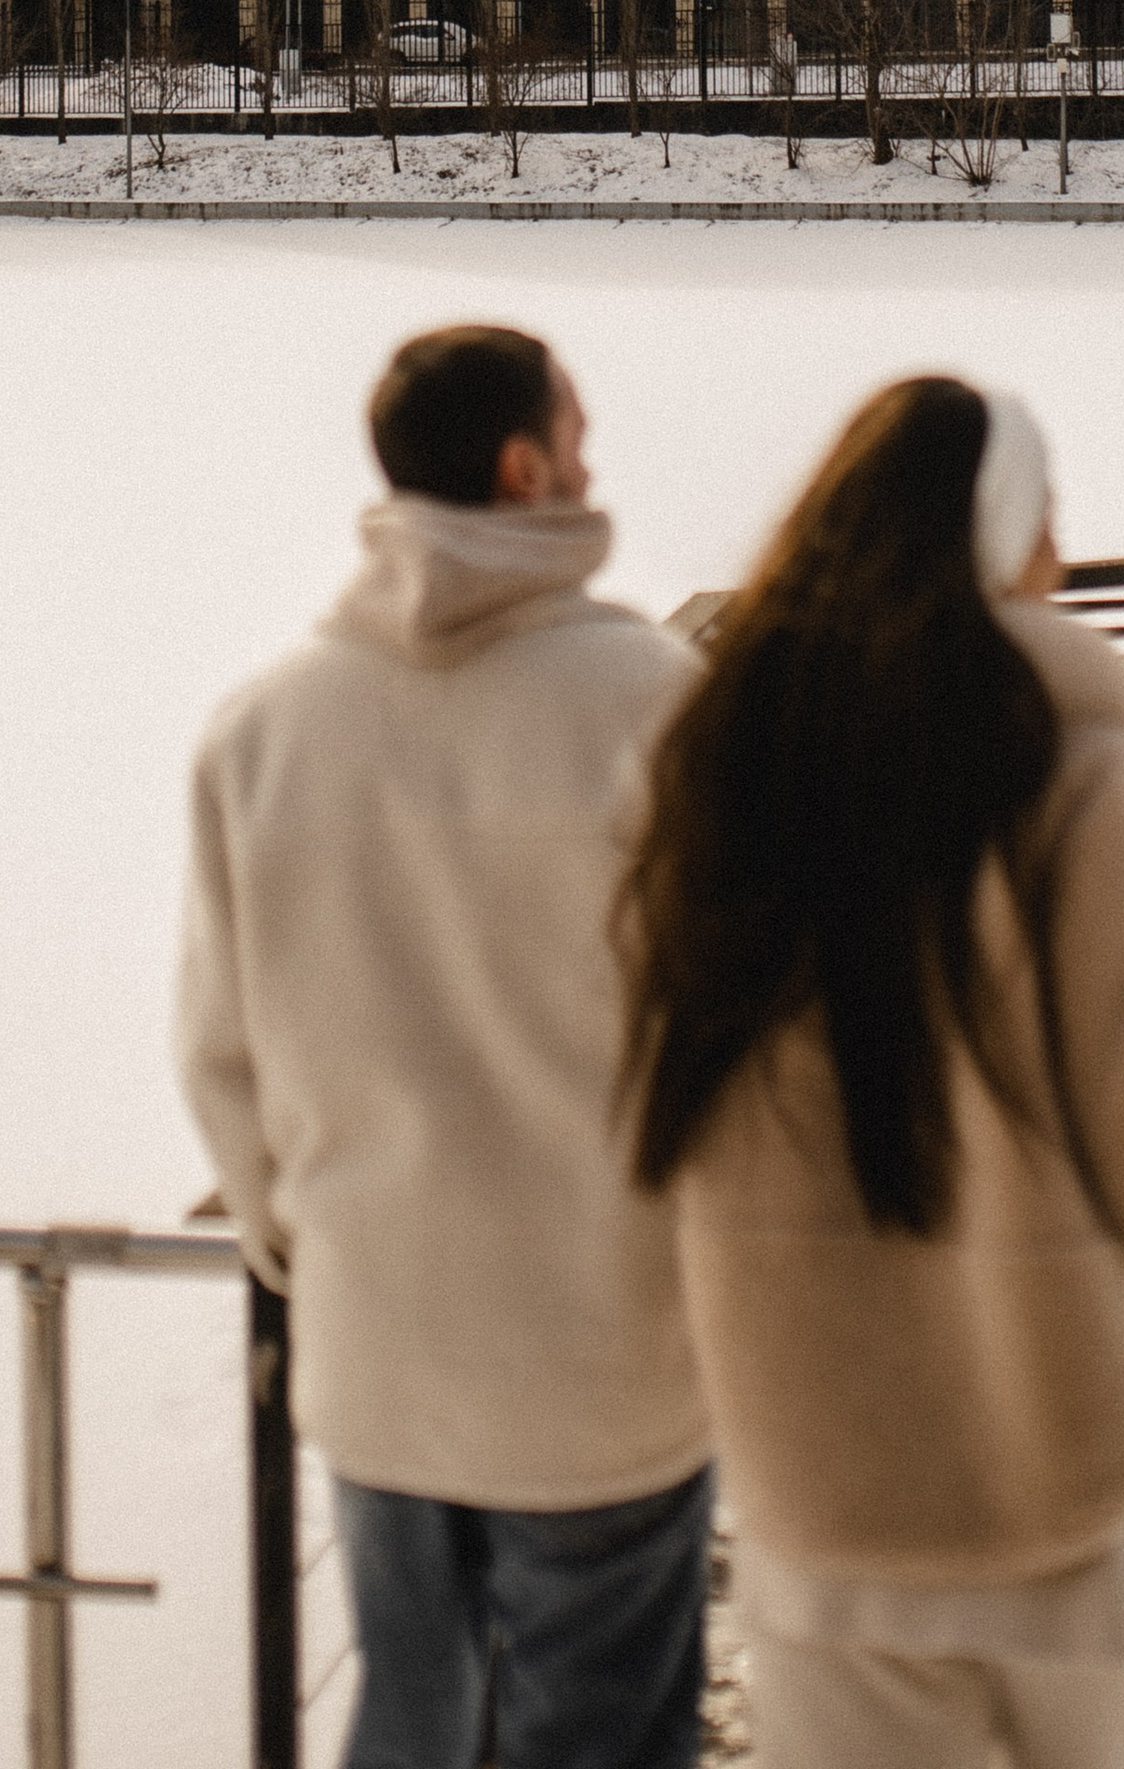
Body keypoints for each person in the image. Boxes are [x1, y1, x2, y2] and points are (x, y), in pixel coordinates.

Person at [621, 375, 1124, 1769]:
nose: (1071, 557)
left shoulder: (715, 778)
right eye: (1050, 517)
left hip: (820, 1503)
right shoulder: (1073, 782)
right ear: (998, 544)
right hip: (1075, 1497)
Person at [177, 323, 713, 1769]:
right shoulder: (656, 706)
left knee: (412, 1720)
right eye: (581, 437)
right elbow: (735, 1030)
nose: (596, 465)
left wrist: (309, 1245)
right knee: (599, 1737)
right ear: (525, 467)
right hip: (608, 1364)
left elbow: (222, 1054)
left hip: (382, 1348)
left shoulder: (267, 728)